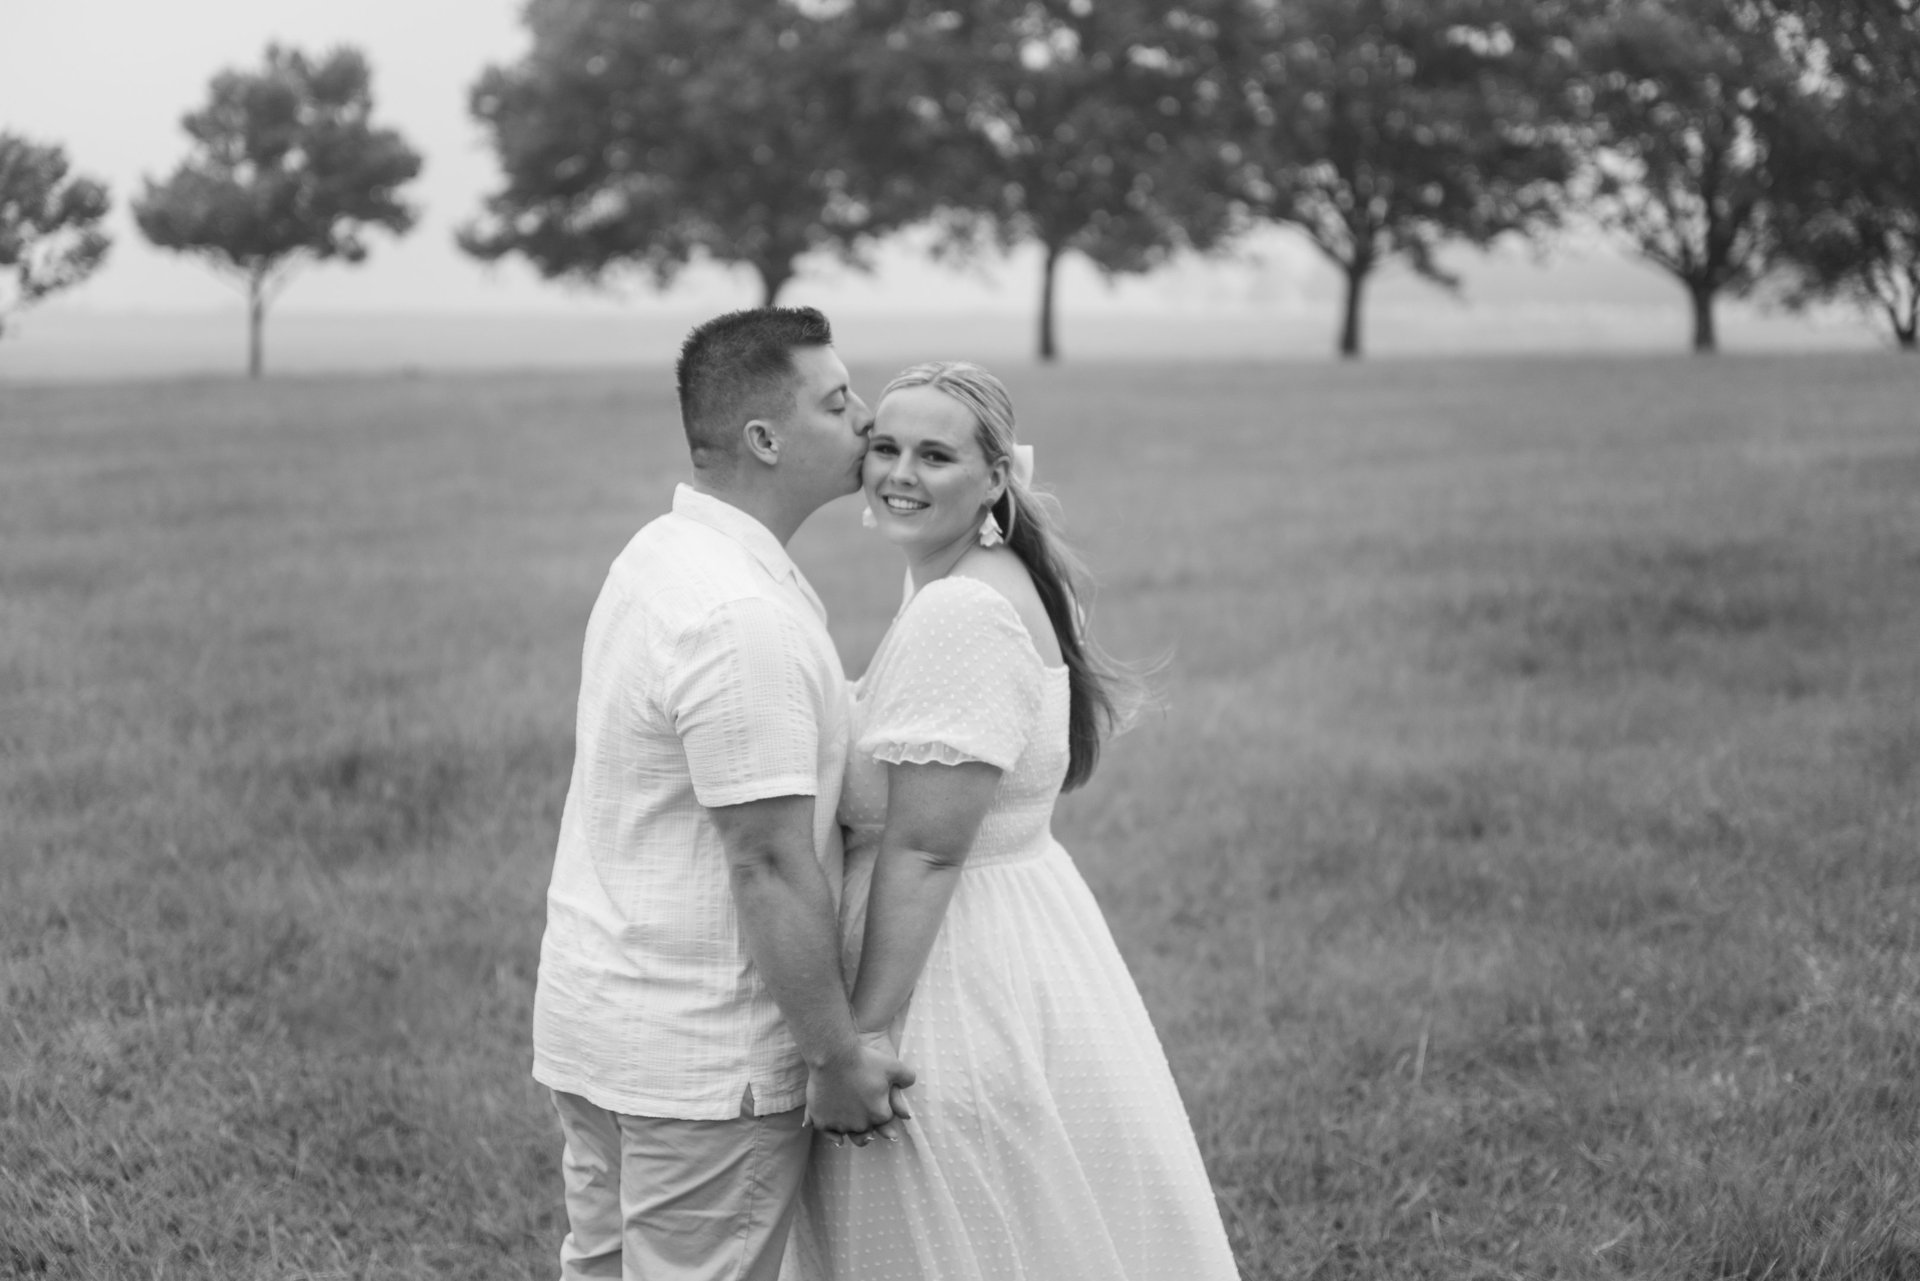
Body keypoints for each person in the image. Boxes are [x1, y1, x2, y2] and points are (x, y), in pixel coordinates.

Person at [784, 362, 1241, 1280]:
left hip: (951, 973)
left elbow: (924, 847)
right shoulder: (975, 577)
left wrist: (860, 1042)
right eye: (886, 447)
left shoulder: (963, 607)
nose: (900, 472)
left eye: (936, 454)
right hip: (1011, 935)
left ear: (996, 477)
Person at [531, 307, 914, 1281]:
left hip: (600, 1027)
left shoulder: (661, 554)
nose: (866, 418)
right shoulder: (739, 614)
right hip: (699, 1067)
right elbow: (768, 859)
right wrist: (834, 1057)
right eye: (838, 402)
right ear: (764, 439)